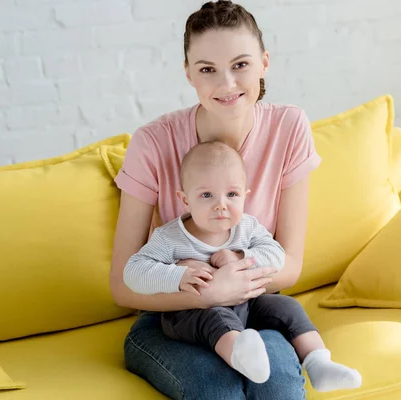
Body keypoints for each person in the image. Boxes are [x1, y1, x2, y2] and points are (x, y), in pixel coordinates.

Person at [109, 1, 332, 398]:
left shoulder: (289, 127)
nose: (226, 84)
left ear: (265, 63)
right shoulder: (153, 142)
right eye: (207, 69)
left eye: (241, 65)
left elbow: (290, 266)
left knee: (278, 386)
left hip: (254, 310)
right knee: (218, 391)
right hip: (171, 318)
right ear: (189, 74)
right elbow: (122, 286)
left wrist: (232, 284)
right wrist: (207, 293)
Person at [122, 141, 362, 392]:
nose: (221, 204)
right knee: (215, 315)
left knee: (286, 306)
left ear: (245, 196)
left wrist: (240, 256)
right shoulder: (170, 237)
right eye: (206, 195)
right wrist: (178, 276)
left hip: (246, 302)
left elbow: (276, 255)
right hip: (192, 312)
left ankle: (319, 363)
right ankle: (239, 355)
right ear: (185, 200)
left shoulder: (247, 227)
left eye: (232, 195)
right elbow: (133, 271)